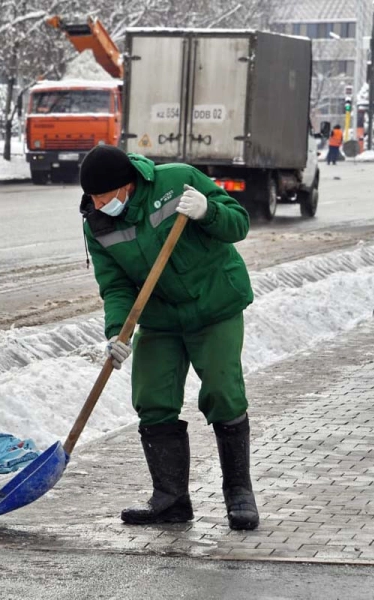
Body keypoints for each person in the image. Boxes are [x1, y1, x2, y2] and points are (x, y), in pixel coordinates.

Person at [78, 144, 258, 531]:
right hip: (159, 317)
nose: (97, 203)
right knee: (152, 397)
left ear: (127, 186)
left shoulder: (178, 180)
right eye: (92, 198)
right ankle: (171, 499)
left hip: (214, 303)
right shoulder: (98, 223)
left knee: (223, 392)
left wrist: (209, 212)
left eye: (104, 196)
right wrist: (117, 331)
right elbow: (115, 286)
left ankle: (239, 492)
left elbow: (238, 224)